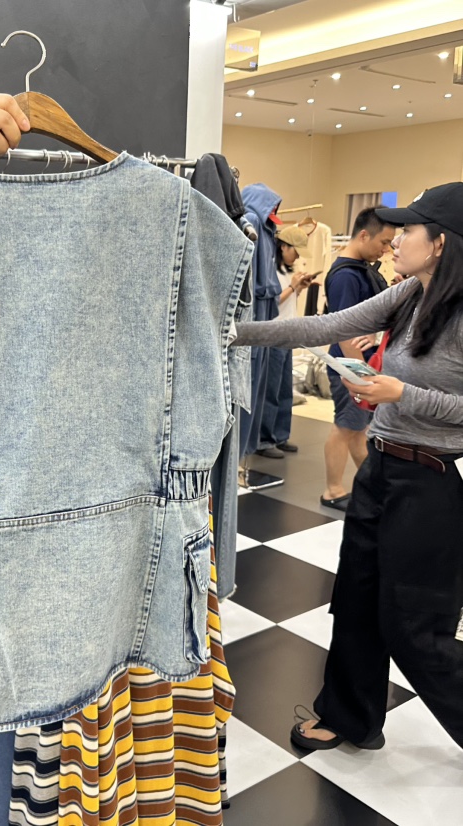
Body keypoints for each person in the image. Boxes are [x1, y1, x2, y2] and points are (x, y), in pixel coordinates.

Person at [233, 183, 463, 752]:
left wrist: (400, 393)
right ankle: (348, 716)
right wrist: (229, 333)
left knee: (415, 629)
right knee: (356, 602)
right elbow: (322, 327)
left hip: (429, 483)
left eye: (407, 231)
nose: (394, 241)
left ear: (440, 244)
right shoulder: (409, 293)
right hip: (380, 469)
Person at [319, 208, 396, 510]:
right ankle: (332, 491)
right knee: (345, 427)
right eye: (384, 242)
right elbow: (345, 330)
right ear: (364, 235)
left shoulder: (361, 270)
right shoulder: (346, 276)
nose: (386, 250)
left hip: (360, 364)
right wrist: (359, 373)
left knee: (357, 430)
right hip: (349, 366)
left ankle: (371, 487)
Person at [256, 225, 314, 458]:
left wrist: (298, 288)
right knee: (270, 390)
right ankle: (264, 440)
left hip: (288, 334)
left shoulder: (286, 271)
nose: (297, 256)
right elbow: (271, 302)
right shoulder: (270, 271)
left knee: (284, 390)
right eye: (295, 251)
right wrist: (292, 287)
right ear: (283, 247)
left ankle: (280, 435)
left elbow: (287, 302)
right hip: (274, 335)